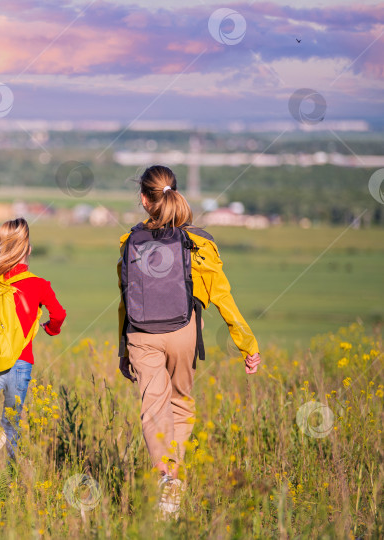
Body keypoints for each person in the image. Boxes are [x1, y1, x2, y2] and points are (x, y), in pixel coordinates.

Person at [117, 165, 262, 514]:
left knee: (153, 407)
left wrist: (124, 348)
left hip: (140, 334)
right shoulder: (200, 242)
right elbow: (223, 297)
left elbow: (125, 299)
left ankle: (163, 475)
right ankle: (174, 481)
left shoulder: (128, 242)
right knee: (180, 403)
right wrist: (248, 345)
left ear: (143, 199)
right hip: (184, 330)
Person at [0, 218, 66, 479]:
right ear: (28, 249)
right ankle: (13, 478)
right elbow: (59, 314)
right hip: (21, 363)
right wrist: (50, 328)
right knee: (12, 424)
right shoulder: (39, 284)